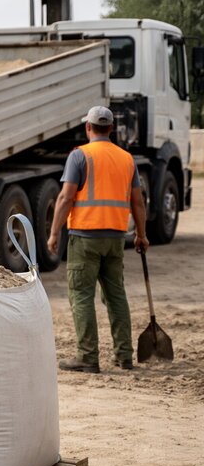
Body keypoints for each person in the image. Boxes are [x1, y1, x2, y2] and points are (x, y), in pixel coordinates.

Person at [47, 105, 150, 373]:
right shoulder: (127, 159)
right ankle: (124, 356)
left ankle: (88, 357)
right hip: (116, 238)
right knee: (116, 295)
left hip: (84, 237)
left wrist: (55, 232)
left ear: (88, 128)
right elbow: (137, 202)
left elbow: (66, 197)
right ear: (112, 128)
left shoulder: (79, 156)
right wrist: (141, 234)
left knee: (81, 295)